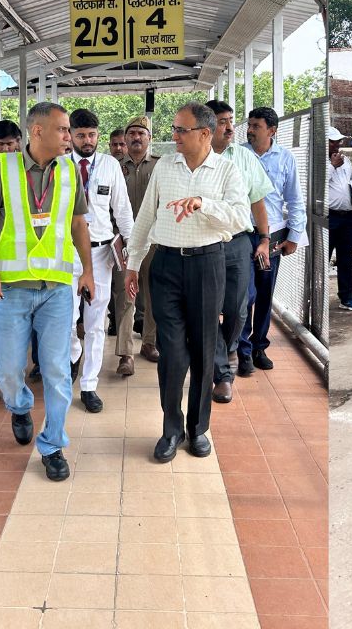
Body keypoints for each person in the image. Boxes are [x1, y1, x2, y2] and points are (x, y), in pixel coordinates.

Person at [0, 102, 93, 481]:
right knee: (8, 369)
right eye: (62, 129)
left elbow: (78, 225)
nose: (69, 137)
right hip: (11, 290)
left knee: (57, 370)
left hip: (56, 290)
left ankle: (53, 445)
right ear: (37, 131)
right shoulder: (3, 169)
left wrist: (88, 272)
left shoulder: (70, 171)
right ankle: (19, 405)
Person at [126, 102, 249, 462]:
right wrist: (133, 263)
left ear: (205, 134)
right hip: (165, 265)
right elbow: (146, 216)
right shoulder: (165, 166)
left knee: (203, 349)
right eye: (174, 129)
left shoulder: (226, 171)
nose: (175, 136)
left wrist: (202, 204)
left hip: (207, 265)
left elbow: (240, 218)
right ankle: (171, 429)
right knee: (172, 353)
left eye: (182, 129)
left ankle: (198, 429)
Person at [206, 100, 275, 400]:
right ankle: (222, 373)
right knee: (209, 308)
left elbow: (257, 201)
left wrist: (264, 239)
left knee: (238, 306)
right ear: (207, 126)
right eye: (222, 121)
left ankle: (227, 346)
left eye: (231, 121)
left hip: (238, 241)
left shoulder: (245, 158)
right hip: (205, 243)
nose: (230, 127)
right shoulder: (194, 158)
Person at [66, 108, 134, 411]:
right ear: (70, 135)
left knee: (96, 322)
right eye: (81, 135)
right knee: (67, 319)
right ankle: (72, 355)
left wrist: (132, 247)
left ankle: (89, 385)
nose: (87, 140)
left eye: (92, 135)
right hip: (67, 253)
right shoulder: (59, 165)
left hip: (102, 252)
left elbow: (123, 210)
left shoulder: (109, 165)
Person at [240, 106, 307, 371]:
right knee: (245, 294)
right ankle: (242, 349)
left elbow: (295, 200)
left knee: (265, 292)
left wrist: (294, 236)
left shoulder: (285, 158)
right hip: (242, 233)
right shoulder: (239, 154)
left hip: (273, 237)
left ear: (272, 131)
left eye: (256, 126)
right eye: (249, 125)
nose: (250, 130)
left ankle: (258, 347)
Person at [109, 116, 160, 372]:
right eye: (132, 133)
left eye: (141, 133)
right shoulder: (115, 167)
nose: (136, 137)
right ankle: (125, 354)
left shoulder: (161, 165)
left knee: (152, 293)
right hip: (125, 240)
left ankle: (149, 342)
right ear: (125, 138)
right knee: (125, 295)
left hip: (153, 239)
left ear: (149, 137)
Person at [328, 126, 352, 311]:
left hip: (347, 217)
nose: (337, 145)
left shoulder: (345, 161)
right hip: (329, 217)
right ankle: (317, 299)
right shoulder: (319, 162)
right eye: (332, 142)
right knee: (323, 259)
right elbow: (317, 185)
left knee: (345, 259)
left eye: (338, 141)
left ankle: (347, 296)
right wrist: (332, 166)